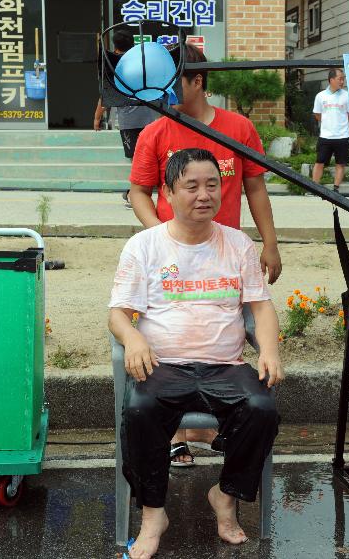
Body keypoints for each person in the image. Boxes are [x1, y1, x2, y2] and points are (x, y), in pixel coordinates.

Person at [109, 148, 283, 559]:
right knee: (140, 411)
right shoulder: (144, 246)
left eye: (212, 184)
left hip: (225, 365)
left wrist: (270, 349)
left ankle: (225, 494)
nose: (204, 194)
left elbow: (261, 306)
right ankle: (153, 516)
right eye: (192, 186)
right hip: (164, 365)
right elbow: (118, 313)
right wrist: (133, 339)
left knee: (261, 408)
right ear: (168, 192)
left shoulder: (238, 244)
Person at [128, 43, 282, 465]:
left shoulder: (238, 128)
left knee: (227, 334)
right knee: (171, 333)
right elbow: (138, 191)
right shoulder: (157, 130)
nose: (163, 88)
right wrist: (160, 236)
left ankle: (219, 430)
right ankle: (177, 431)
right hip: (172, 261)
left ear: (198, 81)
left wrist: (269, 243)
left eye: (172, 79)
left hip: (226, 258)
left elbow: (255, 188)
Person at [93, 28, 159, 209]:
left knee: (136, 160)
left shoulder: (113, 65)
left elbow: (106, 96)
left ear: (115, 47)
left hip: (128, 122)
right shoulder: (141, 62)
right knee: (147, 156)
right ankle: (134, 193)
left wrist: (97, 117)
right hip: (148, 117)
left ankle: (134, 195)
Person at [311, 68, 349, 192]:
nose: (342, 81)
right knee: (319, 162)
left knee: (341, 163)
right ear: (331, 80)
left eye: (343, 78)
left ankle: (336, 189)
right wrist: (329, 122)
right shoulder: (320, 96)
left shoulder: (347, 95)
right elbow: (317, 115)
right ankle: (314, 187)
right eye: (340, 78)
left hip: (342, 136)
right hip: (326, 136)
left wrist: (340, 124)